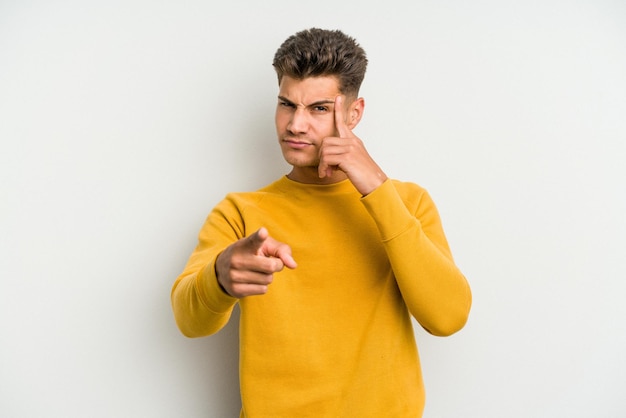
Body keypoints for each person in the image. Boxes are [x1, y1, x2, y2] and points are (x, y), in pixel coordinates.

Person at [171, 27, 472, 418]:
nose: (296, 125)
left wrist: (377, 189)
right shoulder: (240, 212)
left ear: (354, 113)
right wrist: (220, 275)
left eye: (318, 108)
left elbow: (447, 317)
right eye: (286, 104)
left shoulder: (407, 202)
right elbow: (188, 321)